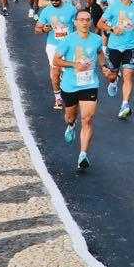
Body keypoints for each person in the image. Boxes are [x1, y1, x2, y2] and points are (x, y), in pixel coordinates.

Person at [53, 9, 116, 171]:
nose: (85, 22)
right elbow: (57, 61)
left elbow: (99, 54)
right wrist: (75, 65)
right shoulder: (68, 40)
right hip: (70, 85)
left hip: (90, 84)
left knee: (87, 119)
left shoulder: (96, 39)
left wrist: (103, 67)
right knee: (70, 116)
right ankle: (71, 125)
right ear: (75, 22)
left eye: (87, 19)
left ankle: (83, 155)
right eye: (81, 20)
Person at [98, 0, 134, 120]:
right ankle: (113, 82)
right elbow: (100, 24)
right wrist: (112, 29)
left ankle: (125, 104)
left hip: (130, 48)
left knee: (128, 76)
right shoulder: (113, 8)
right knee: (112, 75)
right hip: (114, 47)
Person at [35, 0, 77, 110]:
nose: (54, 2)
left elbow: (79, 26)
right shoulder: (46, 11)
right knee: (55, 72)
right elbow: (37, 29)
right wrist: (43, 29)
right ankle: (58, 97)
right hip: (53, 45)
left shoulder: (71, 9)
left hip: (69, 45)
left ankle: (70, 92)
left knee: (70, 70)